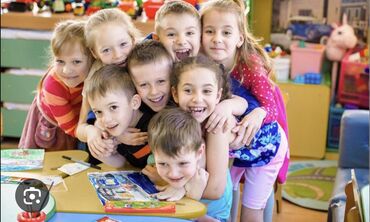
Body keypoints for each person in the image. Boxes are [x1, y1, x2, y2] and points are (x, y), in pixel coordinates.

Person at [200, 0, 289, 221]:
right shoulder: (203, 65)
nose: (217, 38)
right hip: (234, 146)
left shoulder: (250, 66)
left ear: (240, 38)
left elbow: (271, 108)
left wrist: (258, 113)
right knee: (226, 202)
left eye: (226, 32)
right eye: (209, 31)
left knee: (251, 210)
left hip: (267, 147)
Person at [76, 8, 142, 159]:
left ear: (133, 39)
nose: (118, 55)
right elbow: (80, 128)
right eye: (106, 50)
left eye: (123, 44)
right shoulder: (95, 79)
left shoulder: (146, 63)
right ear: (94, 53)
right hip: (111, 153)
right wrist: (93, 132)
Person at [19, 20, 93, 151]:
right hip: (56, 124)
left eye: (76, 61)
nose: (66, 70)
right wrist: (94, 133)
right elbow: (71, 128)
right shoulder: (53, 86)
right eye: (60, 61)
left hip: (77, 119)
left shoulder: (94, 73)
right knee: (51, 162)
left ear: (92, 58)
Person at [148, 107, 229, 222]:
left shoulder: (204, 178)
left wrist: (192, 197)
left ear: (199, 152)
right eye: (163, 164)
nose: (173, 173)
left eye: (182, 163)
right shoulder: (157, 160)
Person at [83, 64, 153, 168]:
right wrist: (104, 155)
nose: (106, 119)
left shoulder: (154, 127)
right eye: (98, 112)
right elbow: (125, 164)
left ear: (134, 103)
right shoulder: (113, 129)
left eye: (113, 107)